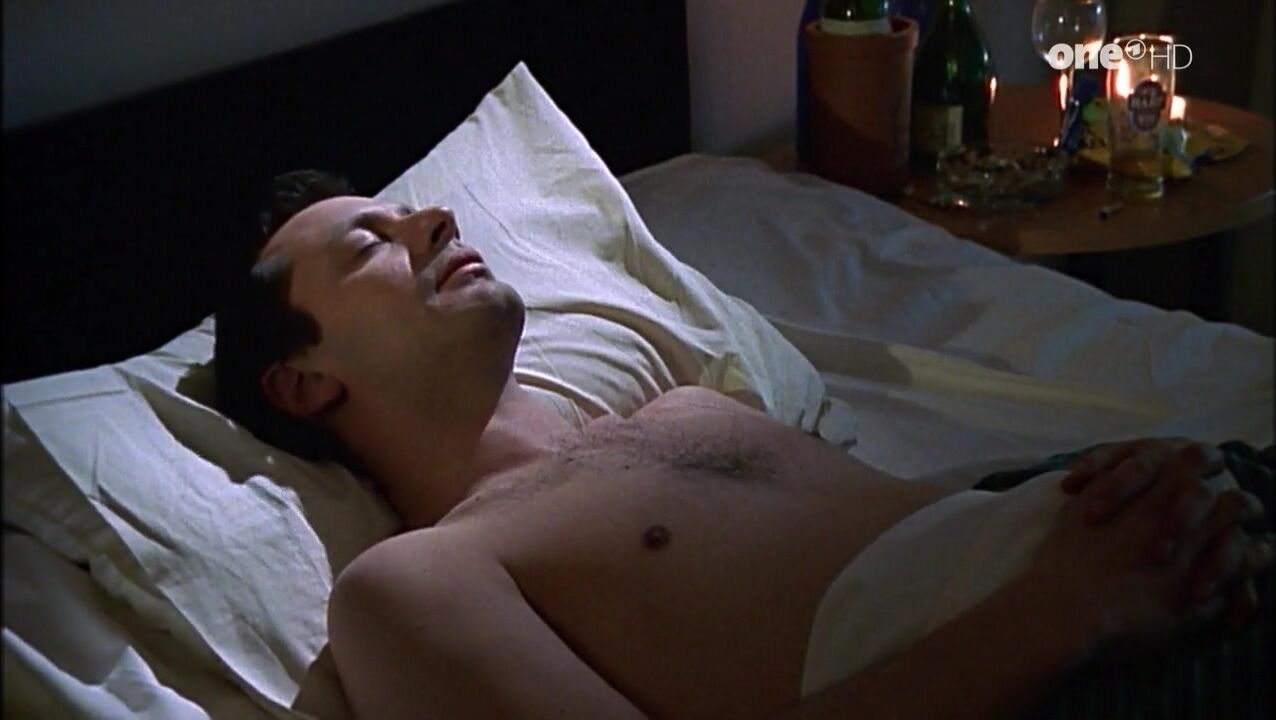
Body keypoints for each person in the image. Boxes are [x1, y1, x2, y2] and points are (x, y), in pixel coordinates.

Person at [214, 171, 1273, 719]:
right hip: (1081, 662)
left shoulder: (687, 410)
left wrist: (1100, 485)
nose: (435, 221)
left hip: (1169, 538)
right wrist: (1064, 609)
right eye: (371, 243)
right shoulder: (414, 582)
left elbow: (906, 539)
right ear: (303, 380)